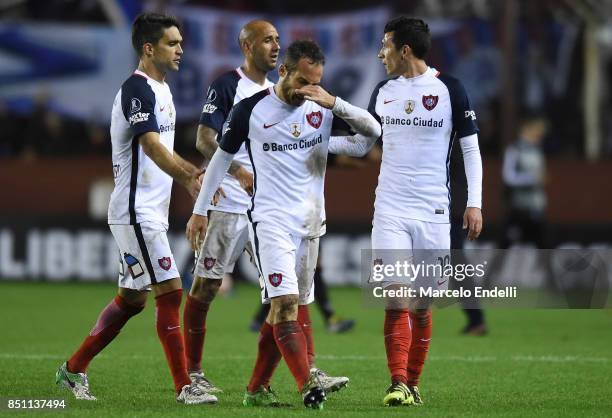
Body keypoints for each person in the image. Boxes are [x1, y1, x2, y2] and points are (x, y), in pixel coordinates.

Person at [186, 39, 381, 408]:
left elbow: (368, 137)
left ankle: (256, 390)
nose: (308, 90)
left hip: (311, 225)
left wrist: (334, 103)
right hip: (270, 221)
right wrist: (199, 211)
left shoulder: (319, 110)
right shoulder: (250, 110)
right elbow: (220, 159)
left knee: (283, 310)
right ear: (283, 71)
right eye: (303, 81)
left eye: (316, 83)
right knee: (286, 303)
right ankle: (306, 383)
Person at [55, 13, 216, 405]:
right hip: (135, 211)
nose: (180, 49)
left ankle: (73, 369)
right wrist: (189, 175)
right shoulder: (136, 91)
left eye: (180, 42)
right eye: (172, 43)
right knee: (171, 292)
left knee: (132, 300)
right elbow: (151, 145)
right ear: (149, 48)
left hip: (149, 212)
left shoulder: (162, 90)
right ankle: (184, 388)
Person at [369, 17, 483, 406]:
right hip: (389, 208)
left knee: (421, 302)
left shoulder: (450, 88)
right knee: (395, 296)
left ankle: (412, 384)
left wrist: (475, 202)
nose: (379, 53)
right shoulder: (383, 91)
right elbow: (362, 141)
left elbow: (470, 148)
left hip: (434, 210)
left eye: (385, 45)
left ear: (404, 50)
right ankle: (397, 381)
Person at [501, 115, 548, 248]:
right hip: (518, 208)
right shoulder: (514, 150)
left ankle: (546, 269)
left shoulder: (537, 150)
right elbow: (508, 177)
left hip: (536, 206)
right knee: (506, 243)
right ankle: (493, 269)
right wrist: (530, 178)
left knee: (544, 243)